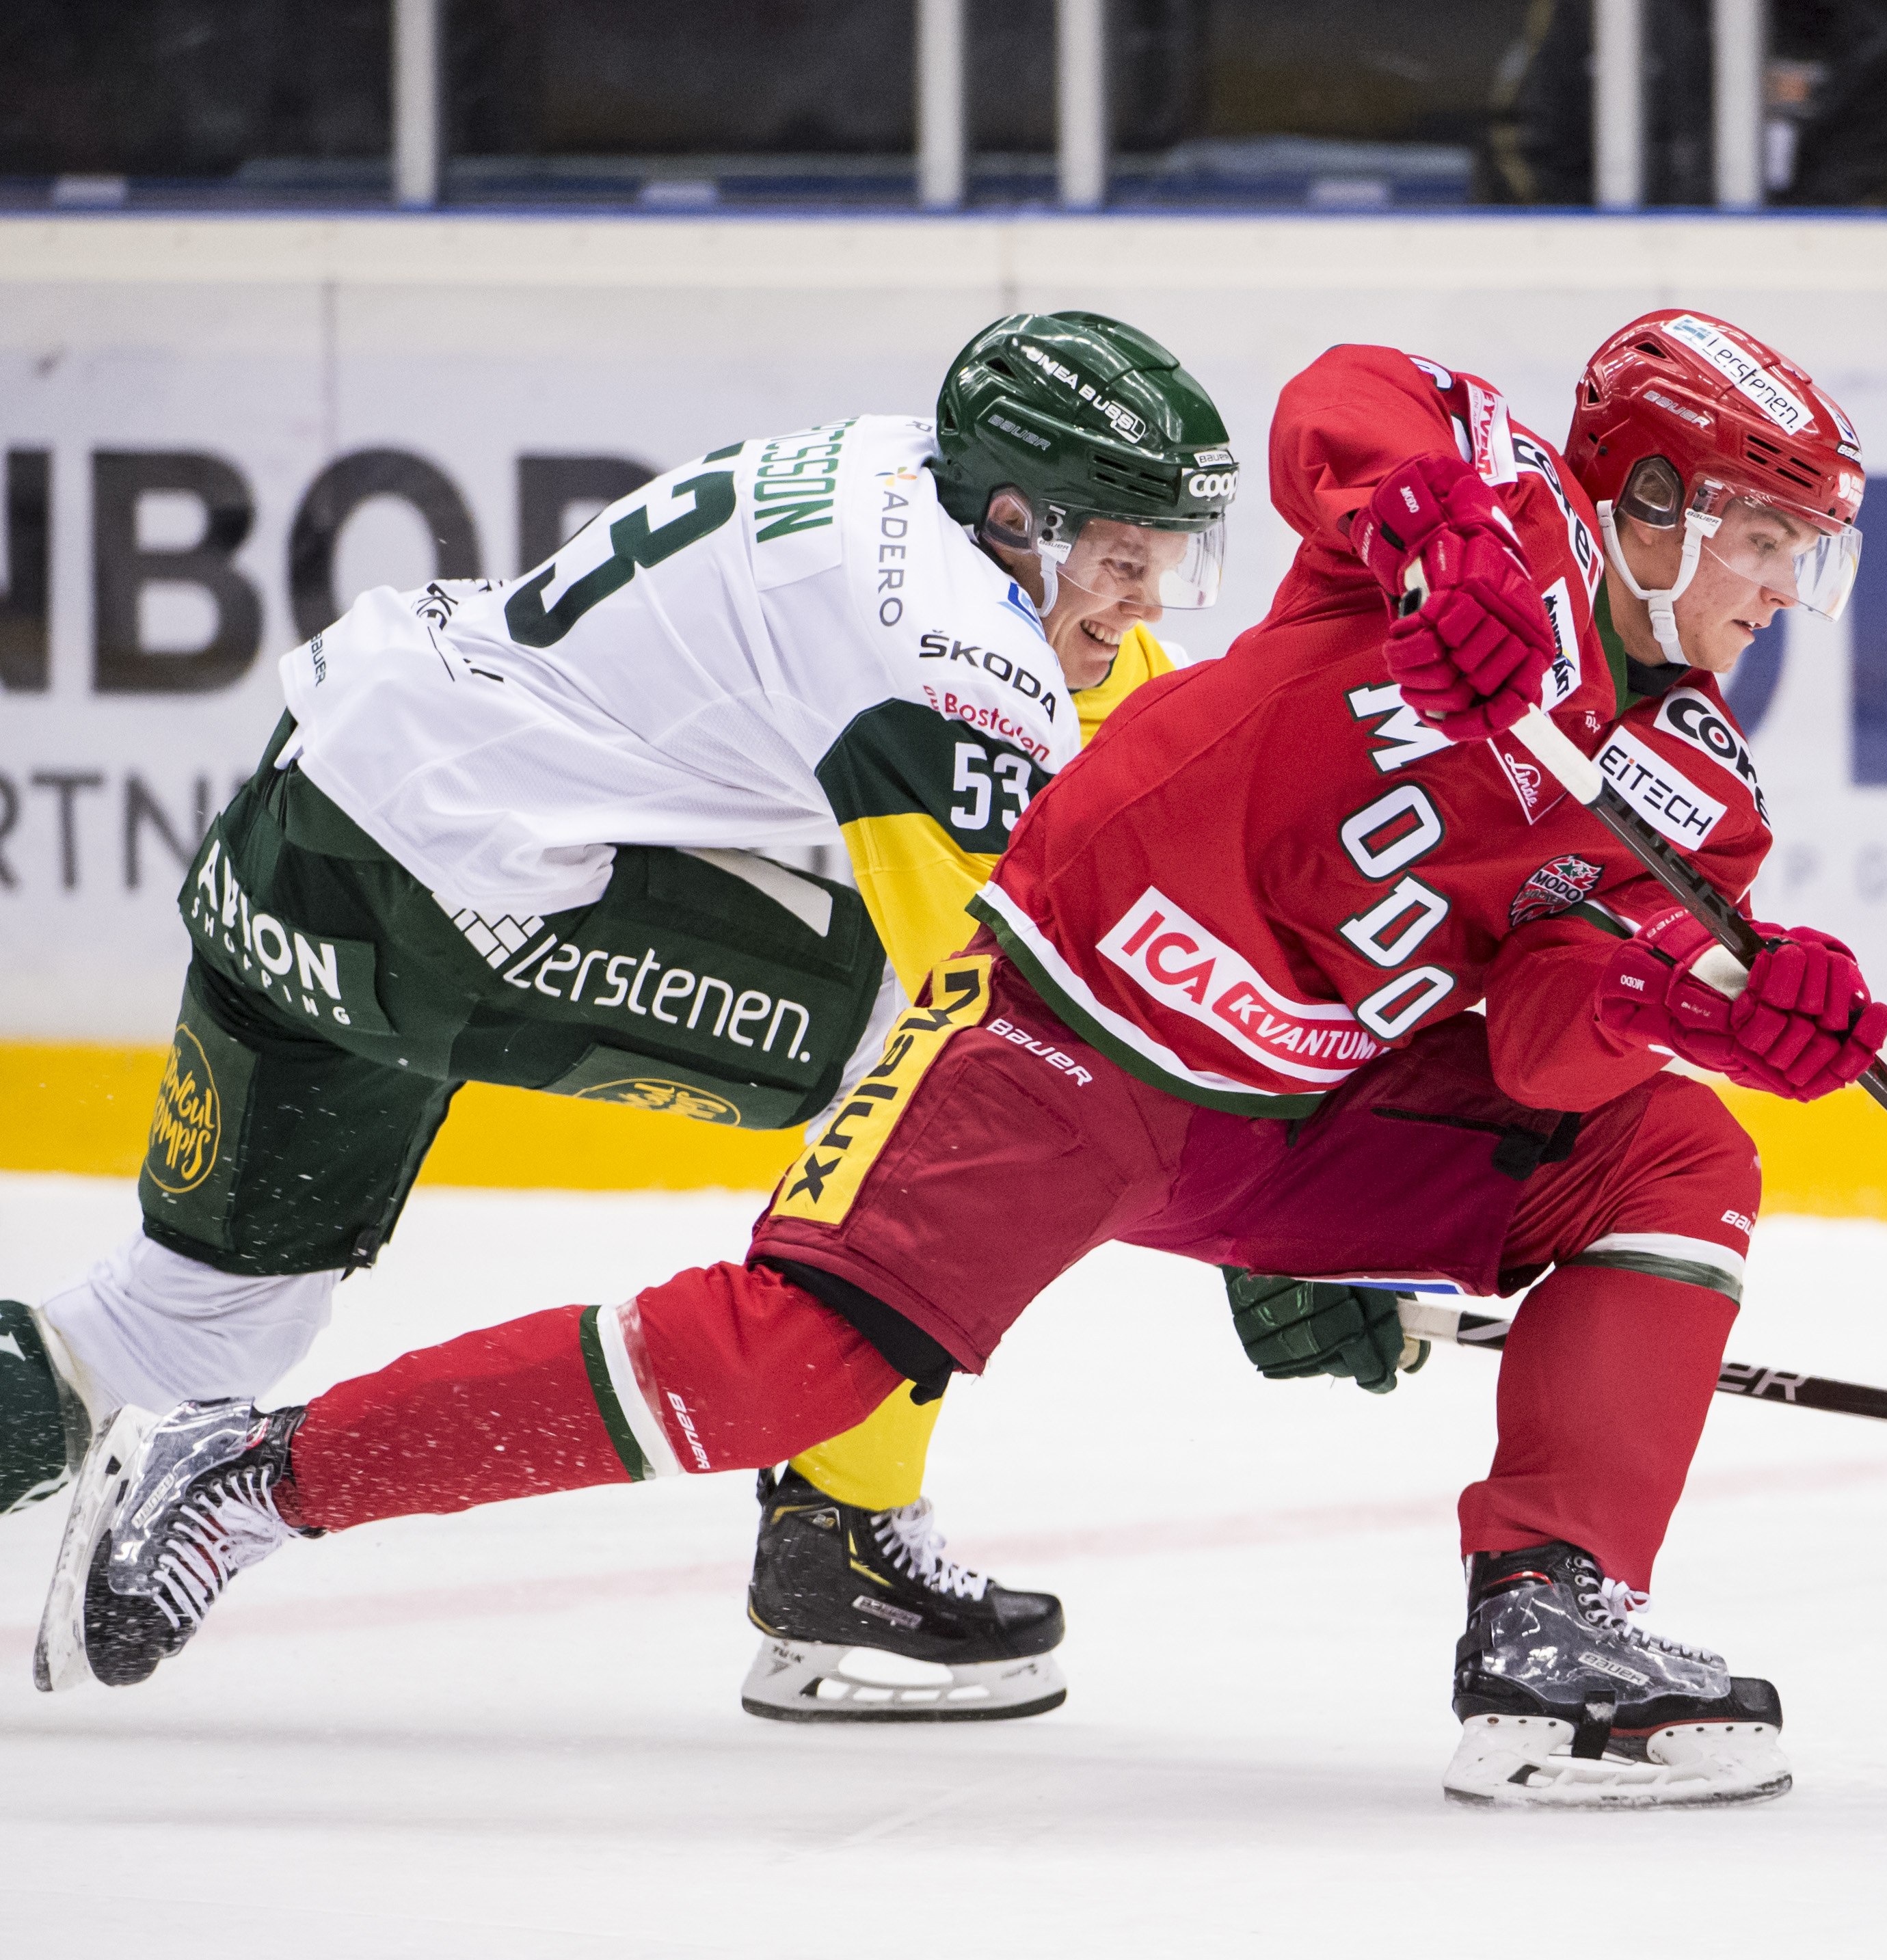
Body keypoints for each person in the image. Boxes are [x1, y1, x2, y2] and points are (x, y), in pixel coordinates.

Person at [38, 308, 1887, 1811]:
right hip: (1072, 999)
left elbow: (1552, 1045)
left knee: (1667, 1149)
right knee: (785, 1366)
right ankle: (252, 1477)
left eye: (1798, 560)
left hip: (1282, 1107)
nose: (1772, 593)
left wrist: (1699, 1005)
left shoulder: (1692, 800)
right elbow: (1346, 399)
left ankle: (1551, 1625)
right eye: (1758, 541)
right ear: (1648, 497)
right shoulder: (1493, 494)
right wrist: (1432, 531)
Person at [3, 309, 1240, 1723]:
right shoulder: (946, 641)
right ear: (1019, 515)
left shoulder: (921, 484)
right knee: (938, 1066)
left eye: (1174, 561)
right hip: (445, 901)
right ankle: (844, 1535)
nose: (1143, 598)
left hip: (317, 827)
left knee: (176, 1334)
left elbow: (1134, 723)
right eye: (1122, 560)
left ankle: (839, 1531)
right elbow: (1008, 1011)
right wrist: (1273, 1226)